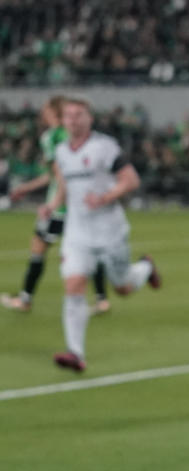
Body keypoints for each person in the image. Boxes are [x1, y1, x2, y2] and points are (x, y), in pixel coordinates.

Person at [42, 97, 161, 372]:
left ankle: (145, 267)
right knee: (73, 285)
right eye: (69, 116)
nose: (73, 120)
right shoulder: (61, 151)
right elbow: (63, 188)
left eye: (79, 115)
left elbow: (131, 180)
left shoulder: (104, 147)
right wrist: (50, 206)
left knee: (123, 287)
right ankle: (76, 353)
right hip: (77, 233)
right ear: (64, 121)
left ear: (89, 119)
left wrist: (106, 197)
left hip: (110, 231)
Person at [2, 96, 110, 314]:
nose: (42, 114)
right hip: (82, 206)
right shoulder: (77, 137)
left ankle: (25, 299)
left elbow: (60, 177)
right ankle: (102, 299)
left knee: (38, 248)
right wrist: (26, 188)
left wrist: (52, 203)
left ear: (54, 113)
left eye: (45, 111)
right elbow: (57, 175)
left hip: (60, 208)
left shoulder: (51, 137)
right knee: (91, 251)